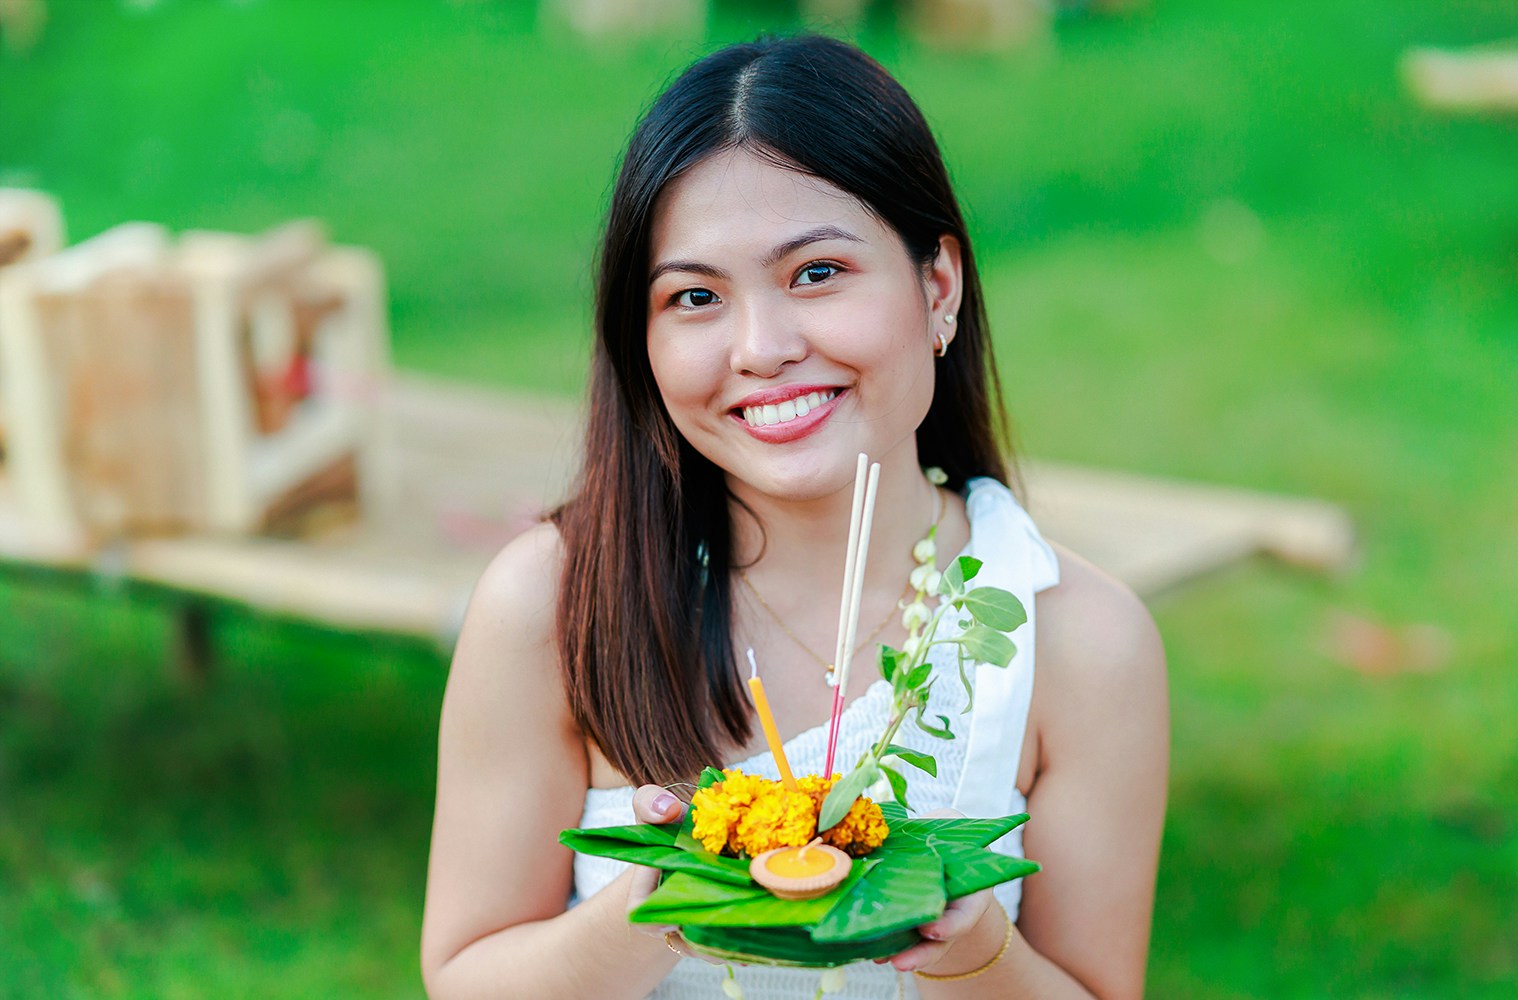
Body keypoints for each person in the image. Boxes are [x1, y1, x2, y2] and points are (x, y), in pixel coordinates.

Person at [420, 35, 1167, 1000]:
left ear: (937, 285)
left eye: (816, 273)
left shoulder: (1079, 640)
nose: (763, 349)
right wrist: (665, 902)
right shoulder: (554, 603)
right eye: (695, 297)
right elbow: (466, 978)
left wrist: (977, 946)